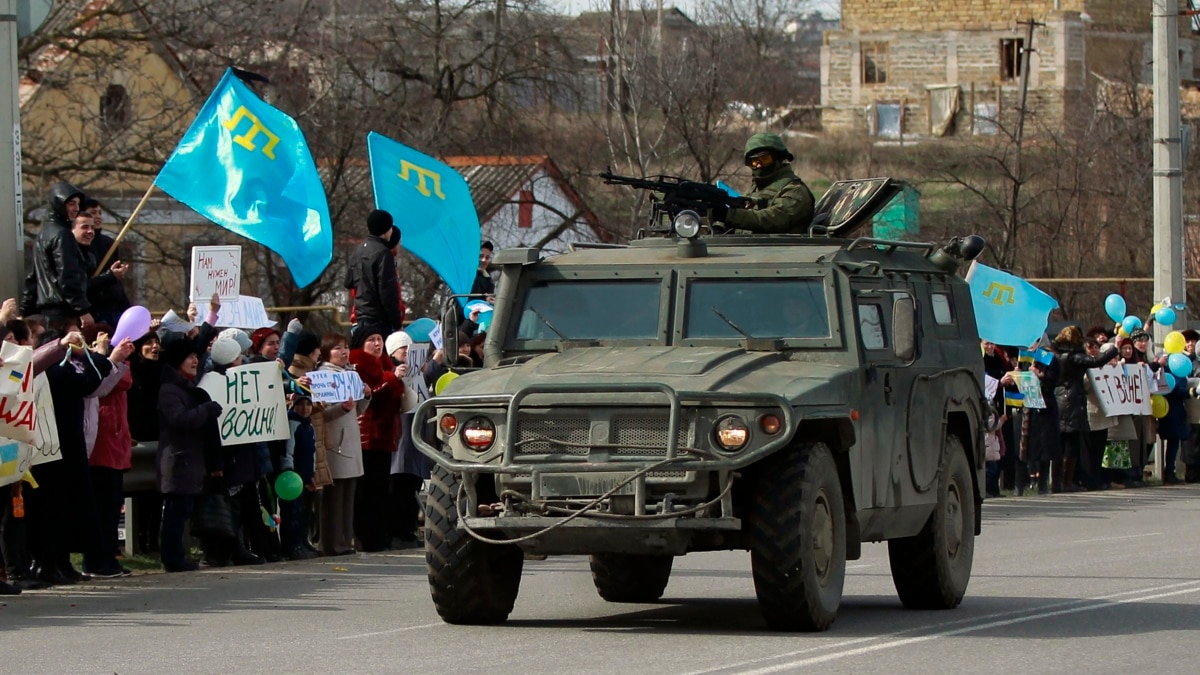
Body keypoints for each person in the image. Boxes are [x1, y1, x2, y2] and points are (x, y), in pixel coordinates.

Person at [156, 335, 224, 572]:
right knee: (176, 512)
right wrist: (206, 410)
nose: (195, 361)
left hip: (190, 460)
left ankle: (177, 556)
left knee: (183, 510)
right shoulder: (169, 391)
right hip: (178, 460)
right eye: (190, 357)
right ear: (178, 360)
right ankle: (171, 557)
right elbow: (180, 419)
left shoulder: (188, 387)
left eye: (196, 356)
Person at [349, 325, 405, 552]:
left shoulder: (385, 363)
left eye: (379, 338)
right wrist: (392, 379)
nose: (377, 343)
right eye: (371, 339)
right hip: (367, 434)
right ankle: (367, 537)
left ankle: (380, 534)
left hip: (383, 434)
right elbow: (371, 395)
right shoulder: (359, 365)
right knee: (367, 491)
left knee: (380, 489)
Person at [316, 333, 368, 556]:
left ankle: (346, 540)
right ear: (328, 352)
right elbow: (320, 414)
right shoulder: (323, 375)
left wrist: (365, 396)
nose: (344, 352)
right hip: (334, 441)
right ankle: (332, 543)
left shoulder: (350, 374)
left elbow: (359, 411)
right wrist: (342, 409)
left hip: (351, 441)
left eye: (346, 348)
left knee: (348, 495)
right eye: (338, 348)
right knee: (334, 497)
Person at [1053, 325, 1119, 491]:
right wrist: (1114, 348)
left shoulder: (1055, 355)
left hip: (1058, 398)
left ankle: (1056, 482)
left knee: (1059, 443)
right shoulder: (1074, 357)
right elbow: (1096, 361)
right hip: (1072, 400)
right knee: (1072, 443)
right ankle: (1067, 482)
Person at [22, 182, 94, 328]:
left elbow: (33, 278)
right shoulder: (62, 235)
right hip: (64, 314)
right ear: (60, 203)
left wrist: (24, 311)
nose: (76, 209)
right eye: (71, 204)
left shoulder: (42, 235)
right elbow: (68, 276)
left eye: (78, 204)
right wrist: (82, 310)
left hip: (46, 313)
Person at [717, 132, 815, 235]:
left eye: (765, 159)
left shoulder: (796, 190)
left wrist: (727, 215)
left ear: (778, 158)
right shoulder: (757, 188)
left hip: (779, 248)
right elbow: (742, 211)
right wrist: (720, 226)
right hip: (748, 247)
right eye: (755, 161)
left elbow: (773, 219)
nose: (759, 165)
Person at [345, 210, 405, 334]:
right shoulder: (383, 253)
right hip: (379, 318)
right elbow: (387, 292)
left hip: (361, 315)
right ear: (386, 229)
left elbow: (348, 281)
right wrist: (397, 323)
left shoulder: (359, 249)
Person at [77, 198, 131, 327]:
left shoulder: (109, 244)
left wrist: (127, 308)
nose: (97, 216)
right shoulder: (79, 246)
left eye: (100, 213)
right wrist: (109, 276)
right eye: (93, 212)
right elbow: (82, 284)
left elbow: (117, 283)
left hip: (113, 306)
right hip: (94, 309)